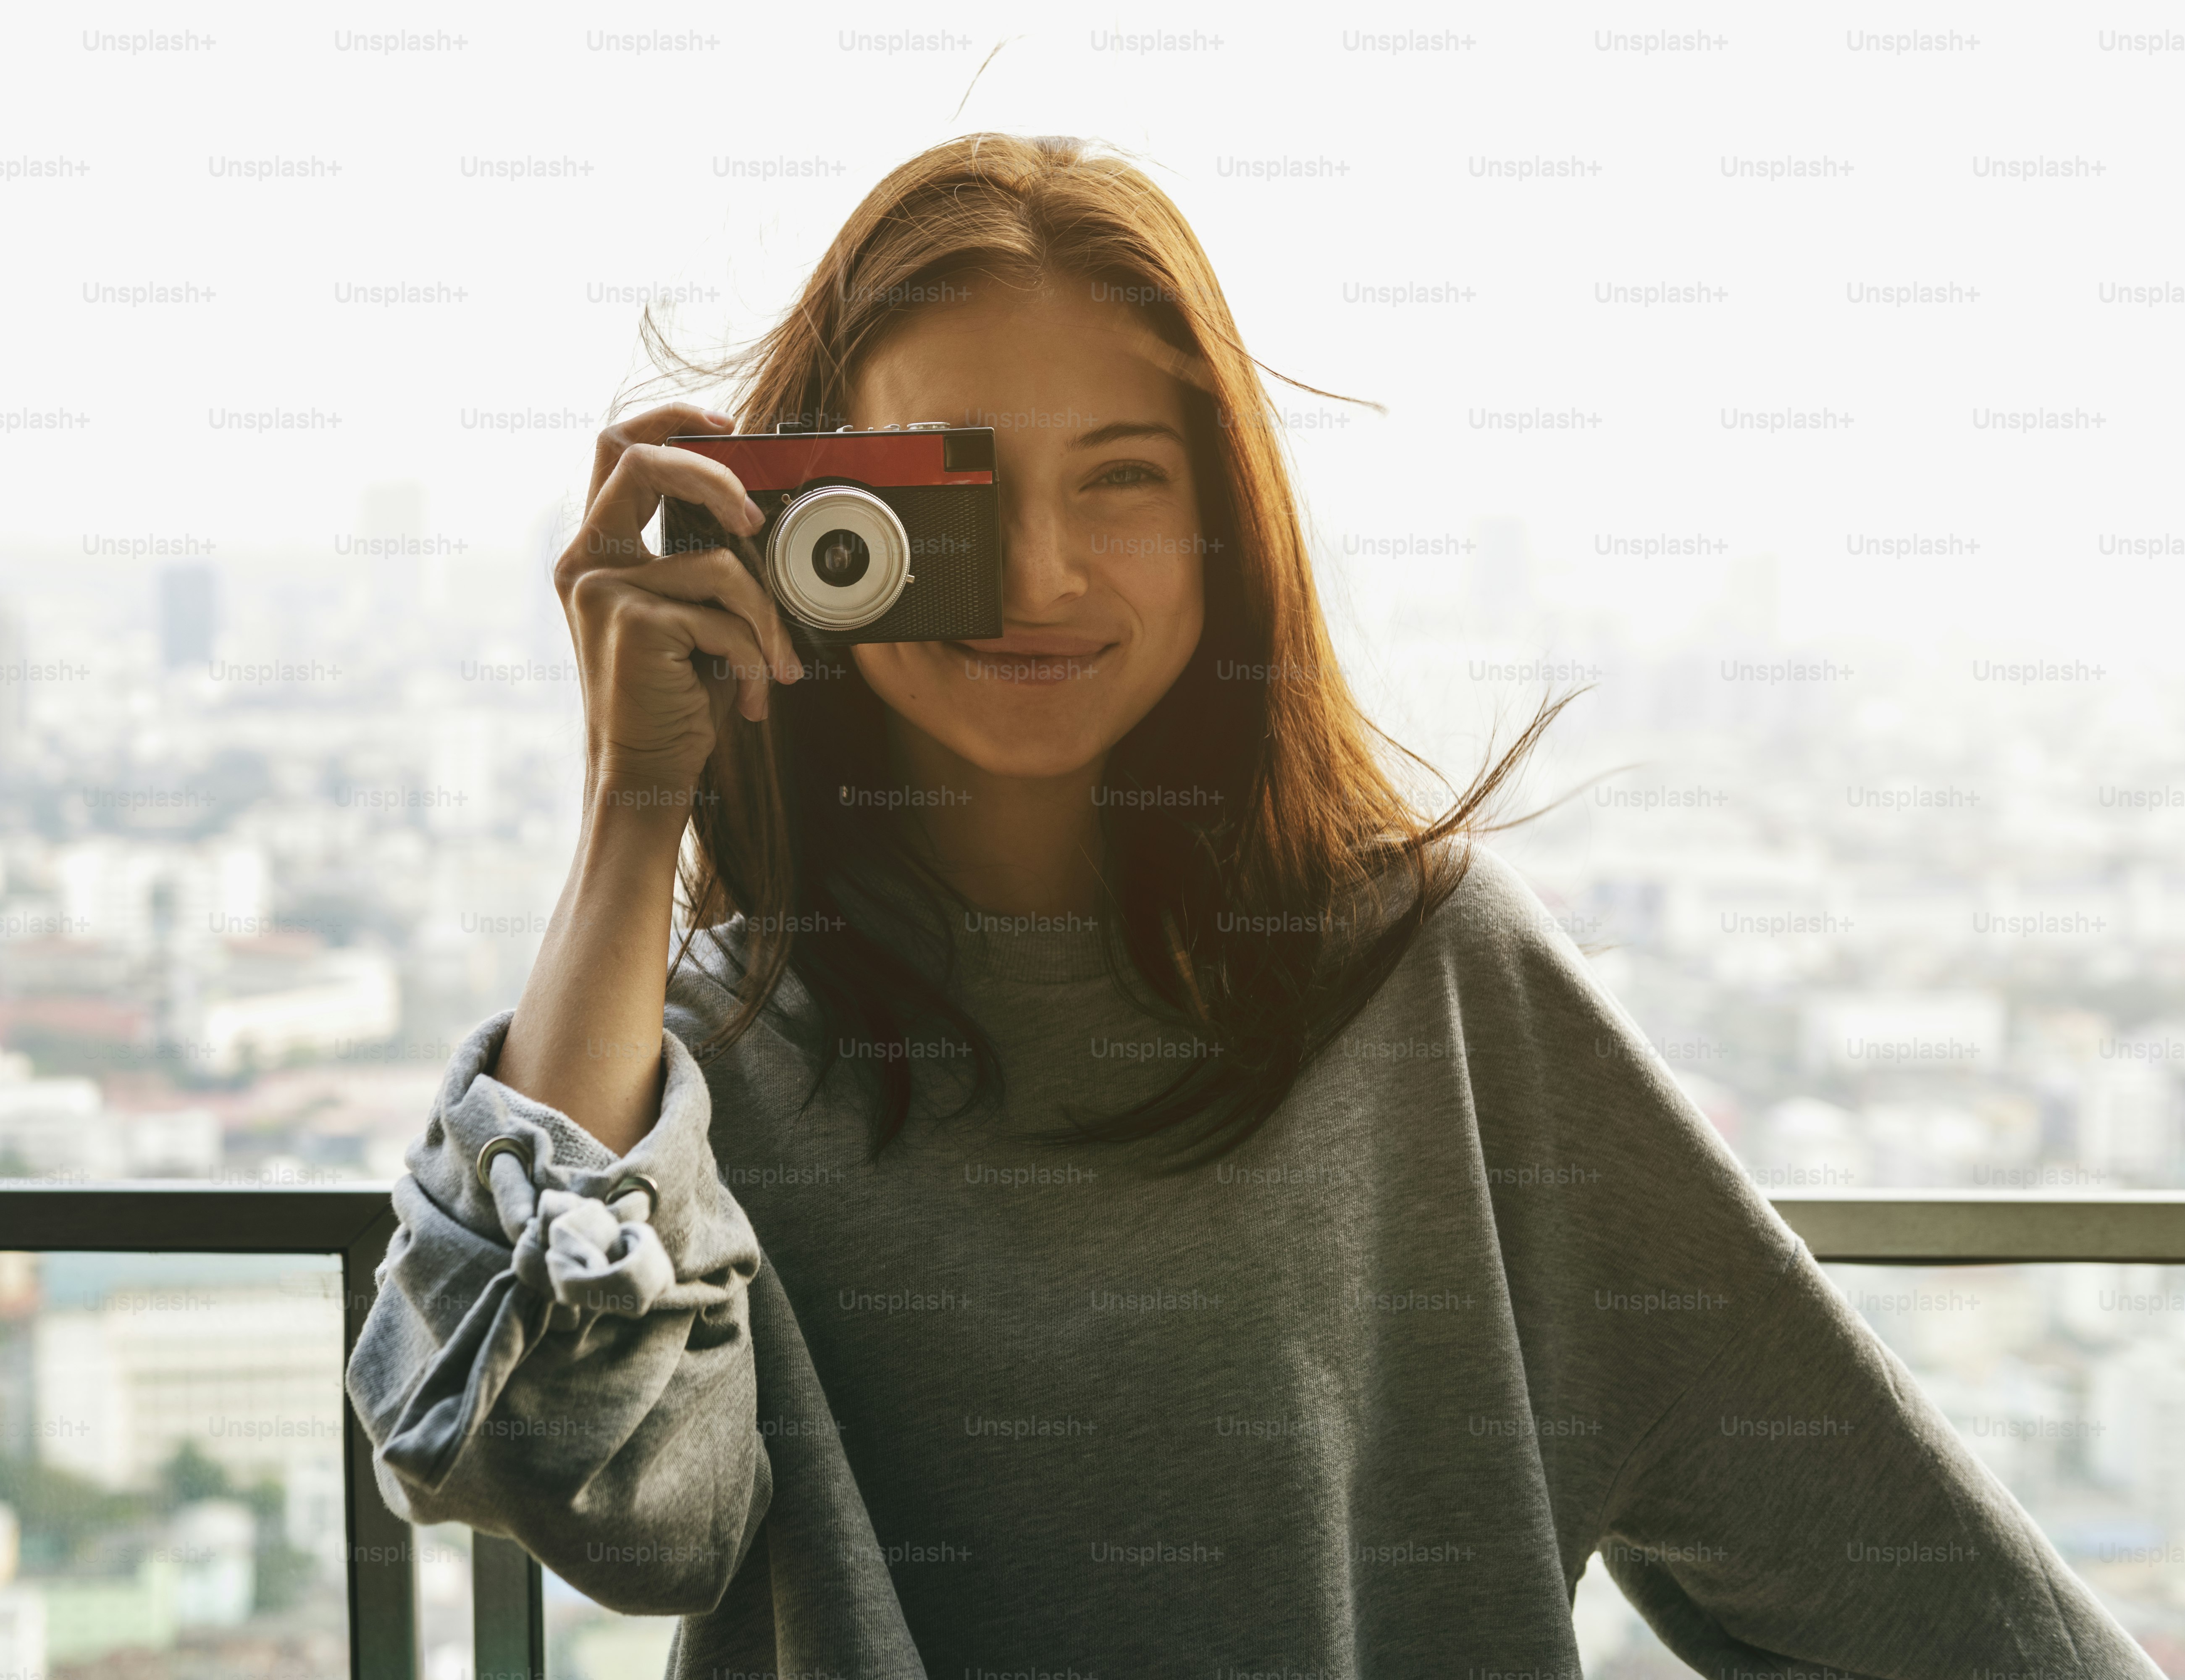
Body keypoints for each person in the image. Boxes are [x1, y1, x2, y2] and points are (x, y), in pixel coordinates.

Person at [344, 134, 2156, 1677]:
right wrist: (634, 809)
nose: (1040, 575)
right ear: (809, 520)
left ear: (1229, 520)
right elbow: (549, 1465)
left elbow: (1906, 1571)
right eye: (951, 490)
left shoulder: (1429, 982)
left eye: (1124, 479)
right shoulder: (720, 1068)